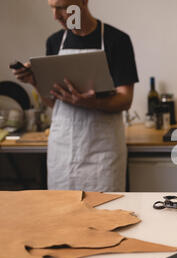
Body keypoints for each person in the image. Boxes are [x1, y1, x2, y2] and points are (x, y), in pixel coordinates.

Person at [12, 0, 138, 192]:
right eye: (52, 7)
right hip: (63, 152)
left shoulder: (117, 40)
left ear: (83, 1)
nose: (56, 16)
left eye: (63, 7)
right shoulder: (54, 42)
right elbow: (54, 103)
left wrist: (92, 102)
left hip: (102, 153)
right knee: (63, 214)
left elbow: (125, 99)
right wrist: (34, 82)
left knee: (105, 213)